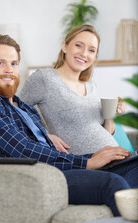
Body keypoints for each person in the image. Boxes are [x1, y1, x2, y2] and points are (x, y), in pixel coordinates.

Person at [0, 33, 137, 217]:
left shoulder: (23, 107)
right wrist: (88, 162)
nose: (9, 69)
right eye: (0, 63)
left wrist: (96, 155)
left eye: (13, 64)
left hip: (58, 169)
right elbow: (23, 149)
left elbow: (48, 150)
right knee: (114, 184)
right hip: (41, 178)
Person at [20, 25, 132, 155]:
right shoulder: (44, 78)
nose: (84, 54)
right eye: (78, 45)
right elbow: (15, 113)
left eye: (91, 50)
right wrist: (45, 136)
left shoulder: (91, 86)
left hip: (115, 158)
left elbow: (107, 132)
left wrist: (111, 112)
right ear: (65, 46)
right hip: (86, 164)